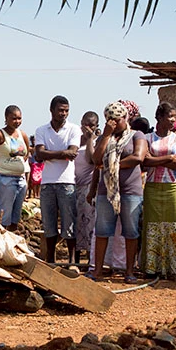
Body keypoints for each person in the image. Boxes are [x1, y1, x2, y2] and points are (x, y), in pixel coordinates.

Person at [89, 102, 146, 283]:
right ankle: (96, 270)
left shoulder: (136, 135)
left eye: (118, 119)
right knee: (102, 231)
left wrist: (112, 164)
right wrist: (106, 135)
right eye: (110, 120)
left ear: (125, 118)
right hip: (106, 190)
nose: (114, 123)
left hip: (130, 190)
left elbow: (138, 157)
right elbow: (96, 159)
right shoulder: (104, 137)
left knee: (130, 231)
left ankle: (129, 271)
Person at [141, 102, 176, 279]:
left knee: (175, 226)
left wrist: (157, 159)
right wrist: (169, 157)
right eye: (170, 117)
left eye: (175, 117)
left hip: (173, 188)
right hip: (152, 187)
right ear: (160, 118)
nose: (174, 120)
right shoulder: (147, 138)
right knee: (152, 226)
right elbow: (144, 161)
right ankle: (152, 268)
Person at [34, 95, 82, 264]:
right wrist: (62, 153)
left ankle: (72, 261)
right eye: (60, 110)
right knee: (49, 223)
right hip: (47, 183)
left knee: (69, 223)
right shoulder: (41, 130)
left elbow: (72, 153)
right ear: (52, 110)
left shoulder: (74, 129)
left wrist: (49, 154)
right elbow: (39, 154)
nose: (64, 114)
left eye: (66, 111)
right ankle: (50, 260)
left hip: (67, 182)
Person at [74, 111, 100, 261]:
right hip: (73, 187)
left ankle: (91, 260)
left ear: (96, 126)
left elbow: (92, 160)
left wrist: (90, 139)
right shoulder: (75, 140)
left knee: (89, 224)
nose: (87, 127)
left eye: (91, 125)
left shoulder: (96, 142)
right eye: (85, 124)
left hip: (89, 187)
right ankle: (75, 260)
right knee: (76, 224)